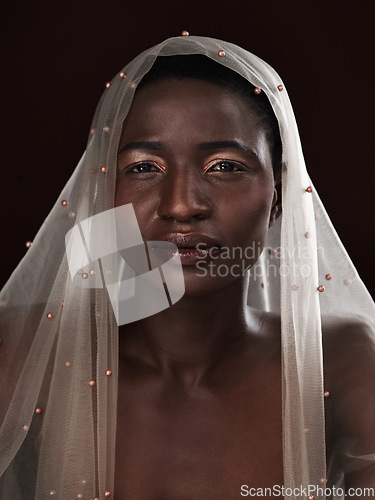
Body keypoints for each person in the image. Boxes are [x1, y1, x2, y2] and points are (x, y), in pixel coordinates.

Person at [0, 34, 374, 499]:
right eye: (142, 168)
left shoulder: (339, 362)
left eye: (224, 166)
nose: (182, 206)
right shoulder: (21, 352)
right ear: (99, 192)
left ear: (279, 195)